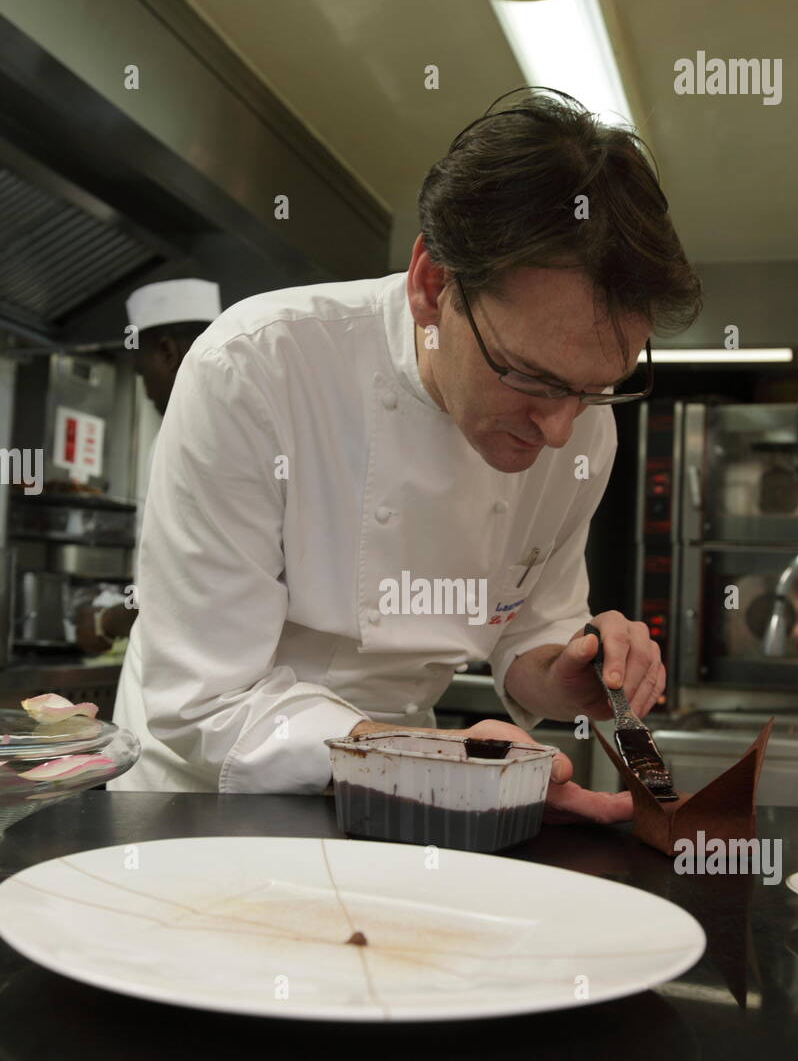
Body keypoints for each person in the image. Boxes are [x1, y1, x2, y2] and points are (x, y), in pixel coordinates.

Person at [110, 88, 701, 824]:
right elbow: (202, 701)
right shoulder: (255, 369)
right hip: (200, 807)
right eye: (530, 375)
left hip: (404, 800)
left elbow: (528, 626)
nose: (557, 430)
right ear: (433, 285)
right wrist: (441, 763)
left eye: (591, 388)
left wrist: (569, 674)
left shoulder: (583, 429)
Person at [75, 279, 221, 654]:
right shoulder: (228, 422)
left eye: (141, 372)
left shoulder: (185, 433)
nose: (146, 388)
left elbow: (179, 579)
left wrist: (107, 621)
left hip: (185, 663)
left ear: (167, 353)